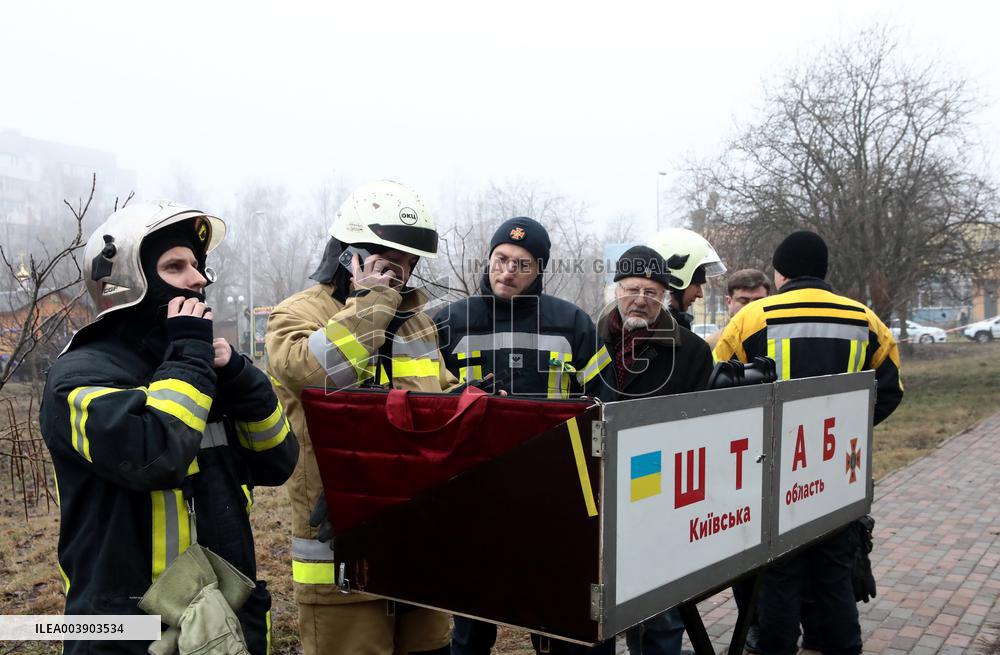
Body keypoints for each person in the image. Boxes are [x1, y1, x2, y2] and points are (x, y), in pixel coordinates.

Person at [40, 201, 298, 655]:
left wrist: (240, 376)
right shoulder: (80, 376)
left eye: (197, 266)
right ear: (126, 282)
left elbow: (277, 461)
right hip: (129, 630)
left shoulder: (197, 367)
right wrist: (189, 360)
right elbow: (152, 457)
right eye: (175, 266)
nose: (198, 279)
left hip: (225, 611)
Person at [266, 180, 457, 655]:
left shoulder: (418, 321)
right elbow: (316, 374)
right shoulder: (294, 316)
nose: (404, 272)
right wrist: (371, 303)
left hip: (419, 543)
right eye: (391, 259)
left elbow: (443, 398)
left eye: (410, 263)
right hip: (339, 558)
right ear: (350, 254)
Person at [713, 230, 903, 655]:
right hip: (839, 475)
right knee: (835, 570)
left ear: (779, 273)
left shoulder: (752, 319)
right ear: (823, 270)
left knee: (778, 574)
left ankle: (776, 647)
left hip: (775, 472)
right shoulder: (865, 319)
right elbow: (891, 390)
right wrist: (847, 431)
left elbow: (716, 389)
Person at [433, 216, 616, 655]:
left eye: (521, 263)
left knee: (554, 613)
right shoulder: (449, 323)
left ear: (539, 270)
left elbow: (604, 401)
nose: (507, 271)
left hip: (551, 495)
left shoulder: (572, 323)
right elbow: (426, 403)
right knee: (472, 624)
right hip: (472, 490)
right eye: (500, 259)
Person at [599, 245, 714, 654]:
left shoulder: (693, 352)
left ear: (665, 296)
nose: (641, 299)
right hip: (597, 496)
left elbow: (701, 431)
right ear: (616, 290)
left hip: (660, 499)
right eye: (632, 289)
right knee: (600, 608)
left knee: (661, 613)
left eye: (652, 291)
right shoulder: (589, 341)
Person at [646, 228, 727, 331]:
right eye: (697, 285)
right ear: (674, 282)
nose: (700, 294)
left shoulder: (669, 326)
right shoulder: (659, 331)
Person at [704, 269, 771, 350]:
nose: (751, 307)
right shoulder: (711, 344)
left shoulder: (778, 337)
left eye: (758, 301)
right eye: (743, 301)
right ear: (729, 301)